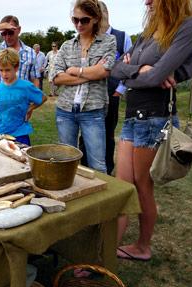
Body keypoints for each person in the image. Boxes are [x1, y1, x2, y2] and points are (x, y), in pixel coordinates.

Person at [111, 0, 192, 261]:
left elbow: (154, 76)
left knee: (142, 187)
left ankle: (142, 246)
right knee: (121, 186)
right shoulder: (150, 31)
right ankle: (107, 249)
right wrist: (140, 69)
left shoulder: (189, 26)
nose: (147, 2)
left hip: (155, 117)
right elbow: (117, 68)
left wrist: (139, 73)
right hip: (132, 117)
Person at [52, 0, 116, 173]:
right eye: (75, 20)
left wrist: (74, 70)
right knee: (67, 161)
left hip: (93, 110)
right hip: (65, 110)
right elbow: (55, 77)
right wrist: (89, 74)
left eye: (84, 20)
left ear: (95, 19)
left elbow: (104, 71)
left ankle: (101, 199)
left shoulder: (108, 41)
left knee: (97, 164)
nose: (79, 24)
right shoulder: (66, 45)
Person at [80, 0, 133, 175]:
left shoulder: (122, 37)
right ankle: (83, 165)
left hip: (112, 94)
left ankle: (107, 169)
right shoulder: (87, 37)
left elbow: (130, 65)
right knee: (86, 131)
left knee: (107, 132)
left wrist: (120, 90)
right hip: (88, 93)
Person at [0, 48, 46, 145]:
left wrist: (30, 108)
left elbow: (43, 98)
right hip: (1, 134)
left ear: (16, 67)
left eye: (8, 70)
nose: (4, 74)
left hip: (20, 135)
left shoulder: (26, 86)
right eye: (1, 70)